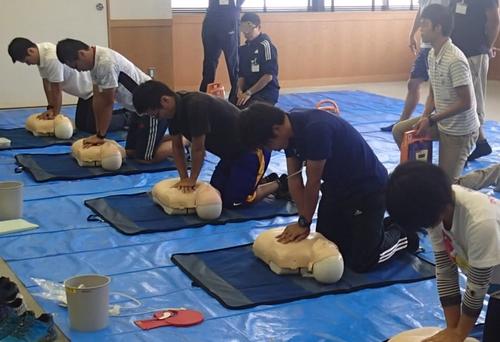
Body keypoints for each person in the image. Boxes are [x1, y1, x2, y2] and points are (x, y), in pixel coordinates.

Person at [238, 102, 419, 273]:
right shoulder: (288, 131)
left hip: (368, 190)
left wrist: (304, 222)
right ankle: (375, 227)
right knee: (330, 247)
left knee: (361, 261)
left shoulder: (316, 130)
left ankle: (402, 232)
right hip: (336, 189)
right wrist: (303, 220)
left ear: (276, 130)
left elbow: (313, 181)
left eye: (268, 145)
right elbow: (294, 179)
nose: (273, 150)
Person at [386, 161, 500, 342]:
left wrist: (459, 333)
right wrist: (451, 330)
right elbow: (446, 271)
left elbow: (476, 288)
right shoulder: (438, 208)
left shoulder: (480, 223)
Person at [132, 80, 287, 208]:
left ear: (165, 101)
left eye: (156, 114)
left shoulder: (195, 105)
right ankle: (260, 180)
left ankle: (280, 184)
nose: (157, 119)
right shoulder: (174, 111)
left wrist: (192, 179)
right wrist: (183, 178)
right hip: (230, 156)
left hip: (252, 151)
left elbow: (198, 149)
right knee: (215, 194)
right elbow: (177, 147)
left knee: (235, 202)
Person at [392, 4, 479, 182]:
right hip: (440, 122)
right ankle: (421, 177)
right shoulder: (432, 54)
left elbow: (466, 102)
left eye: (424, 24)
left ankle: (494, 173)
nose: (420, 29)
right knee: (400, 131)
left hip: (459, 133)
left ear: (438, 27)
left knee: (448, 186)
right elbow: (433, 92)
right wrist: (425, 117)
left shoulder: (455, 59)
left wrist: (431, 119)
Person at [56, 39, 173, 163]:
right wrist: (98, 132)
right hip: (135, 109)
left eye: (76, 66)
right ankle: (164, 139)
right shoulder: (94, 64)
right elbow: (97, 98)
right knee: (130, 152)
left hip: (152, 111)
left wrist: (101, 135)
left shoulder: (106, 63)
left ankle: (183, 141)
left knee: (145, 159)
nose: (78, 71)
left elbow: (107, 103)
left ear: (81, 54)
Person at [7, 37, 128, 133]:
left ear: (30, 51)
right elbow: (46, 83)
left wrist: (55, 114)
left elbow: (56, 89)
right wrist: (50, 108)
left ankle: (127, 117)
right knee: (81, 125)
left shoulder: (51, 58)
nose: (28, 64)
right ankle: (121, 112)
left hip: (91, 90)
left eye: (26, 61)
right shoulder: (41, 56)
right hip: (83, 94)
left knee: (92, 126)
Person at [381, 0, 450, 132]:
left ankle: (430, 121)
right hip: (425, 46)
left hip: (438, 43)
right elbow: (421, 13)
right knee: (412, 83)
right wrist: (412, 34)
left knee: (436, 90)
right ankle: (402, 122)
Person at [451, 0, 500, 161]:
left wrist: (487, 46)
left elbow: (494, 21)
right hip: (457, 52)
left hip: (475, 53)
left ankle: (466, 148)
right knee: (459, 99)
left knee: (472, 100)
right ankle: (481, 142)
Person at [199, 0, 245, 103]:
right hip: (211, 21)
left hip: (230, 20)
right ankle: (203, 100)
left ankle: (235, 100)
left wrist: (237, 6)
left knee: (234, 65)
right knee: (209, 65)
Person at [236, 12, 279, 108]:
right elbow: (241, 75)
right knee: (230, 109)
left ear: (258, 27)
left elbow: (268, 77)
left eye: (249, 28)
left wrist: (248, 93)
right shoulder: (242, 49)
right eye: (243, 28)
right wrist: (239, 90)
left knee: (250, 112)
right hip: (247, 89)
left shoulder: (266, 45)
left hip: (265, 91)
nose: (246, 32)